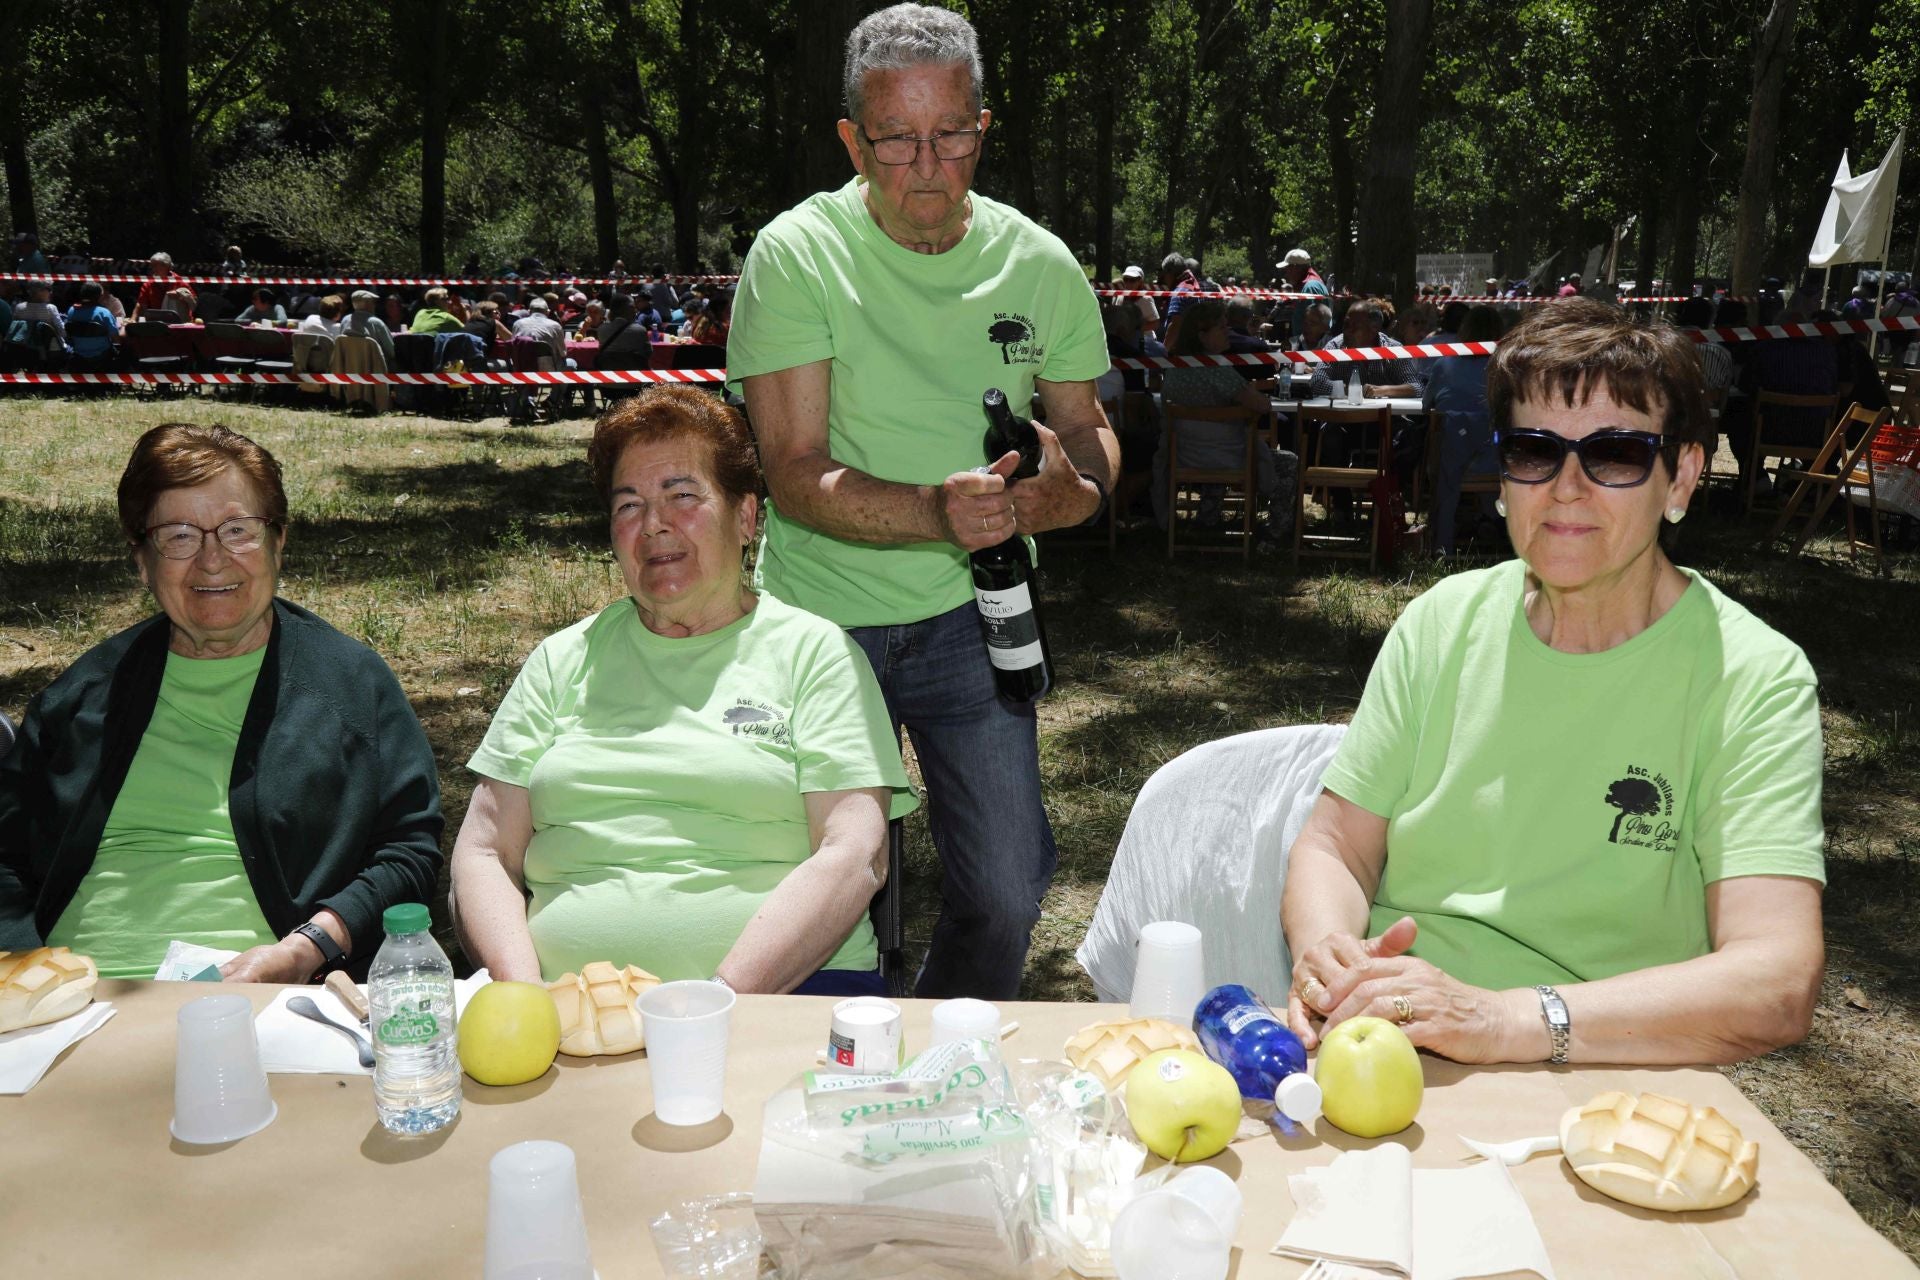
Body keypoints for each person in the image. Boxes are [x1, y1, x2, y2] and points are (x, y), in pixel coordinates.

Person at [1282, 299, 1823, 1066]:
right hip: (1384, 1048)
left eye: (1615, 454)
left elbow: (1777, 981)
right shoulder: (1442, 621)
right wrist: (1330, 955)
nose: (1566, 486)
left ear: (1683, 478)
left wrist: (1504, 1020)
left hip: (1598, 1082)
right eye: (1535, 451)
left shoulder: (1754, 679)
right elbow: (1335, 846)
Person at [730, 2, 1116, 999]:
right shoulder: (796, 254)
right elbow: (793, 471)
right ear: (853, 140)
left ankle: (940, 1046)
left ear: (982, 129)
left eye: (951, 135)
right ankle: (820, 1065)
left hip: (976, 612)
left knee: (1010, 882)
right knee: (820, 889)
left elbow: (1089, 438)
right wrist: (935, 512)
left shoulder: (1039, 261)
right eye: (895, 140)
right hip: (819, 618)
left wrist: (1068, 495)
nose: (928, 168)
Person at [450, 387, 915, 991]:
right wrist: (521, 996)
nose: (654, 525)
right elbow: (484, 852)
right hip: (568, 1013)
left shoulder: (814, 655)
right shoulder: (563, 659)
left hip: (777, 1001)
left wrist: (717, 1004)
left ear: (746, 517)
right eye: (629, 506)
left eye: (683, 496)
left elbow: (855, 855)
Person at [0, 424, 444, 981]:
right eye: (179, 535)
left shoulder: (350, 686)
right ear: (142, 558)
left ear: (279, 542)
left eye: (238, 530)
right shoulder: (83, 697)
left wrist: (307, 948)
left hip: (263, 1002)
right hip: (75, 1005)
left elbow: (407, 852)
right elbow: (7, 857)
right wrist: (19, 973)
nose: (212, 560)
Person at [1152, 298, 1297, 542]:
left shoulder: (1174, 372)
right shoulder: (1219, 372)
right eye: (1221, 327)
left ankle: (1207, 520)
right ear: (1202, 336)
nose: (1227, 331)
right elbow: (1262, 405)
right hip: (1230, 457)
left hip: (1185, 455)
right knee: (1289, 461)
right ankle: (1276, 530)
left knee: (1216, 440)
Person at [1422, 305, 1503, 553]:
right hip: (1495, 461)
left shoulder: (1444, 365)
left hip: (1450, 459)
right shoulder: (1506, 369)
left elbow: (1427, 407)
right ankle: (1493, 524)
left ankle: (1442, 541)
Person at [62, 281, 119, 362]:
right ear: (99, 296)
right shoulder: (104, 312)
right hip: (102, 355)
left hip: (78, 355)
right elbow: (115, 337)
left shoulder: (72, 311)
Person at [11, 279, 68, 354]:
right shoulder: (50, 308)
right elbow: (63, 332)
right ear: (39, 291)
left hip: (26, 349)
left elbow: (13, 330)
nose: (51, 292)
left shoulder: (19, 308)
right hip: (50, 351)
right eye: (48, 289)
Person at [341, 289, 395, 366]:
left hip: (349, 366)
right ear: (367, 304)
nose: (374, 305)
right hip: (374, 369)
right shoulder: (376, 323)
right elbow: (391, 351)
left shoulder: (345, 320)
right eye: (373, 302)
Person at [133, 253, 192, 321]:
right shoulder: (148, 284)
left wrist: (181, 295)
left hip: (181, 321)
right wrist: (133, 318)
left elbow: (193, 302)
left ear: (167, 266)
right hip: (156, 322)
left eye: (155, 265)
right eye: (152, 265)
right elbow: (140, 304)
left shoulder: (180, 282)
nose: (152, 268)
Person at [1119, 263, 1159, 332]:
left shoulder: (1146, 299)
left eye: (1132, 280)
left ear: (1140, 282)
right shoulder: (1120, 296)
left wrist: (1134, 330)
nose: (1128, 283)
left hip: (1144, 339)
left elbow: (1155, 323)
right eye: (1126, 279)